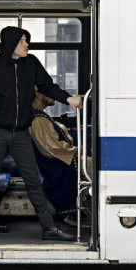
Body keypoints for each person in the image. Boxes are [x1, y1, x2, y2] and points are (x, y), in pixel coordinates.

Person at [0, 26, 82, 242]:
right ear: (11, 43)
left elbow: (48, 86)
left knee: (33, 180)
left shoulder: (32, 64)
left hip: (21, 134)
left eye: (26, 40)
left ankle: (49, 227)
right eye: (22, 41)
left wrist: (69, 99)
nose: (27, 44)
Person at [29, 89, 92, 226]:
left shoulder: (41, 115)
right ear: (38, 94)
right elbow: (51, 148)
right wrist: (77, 150)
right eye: (48, 90)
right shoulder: (38, 118)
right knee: (94, 168)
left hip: (61, 159)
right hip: (55, 164)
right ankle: (74, 212)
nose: (53, 95)